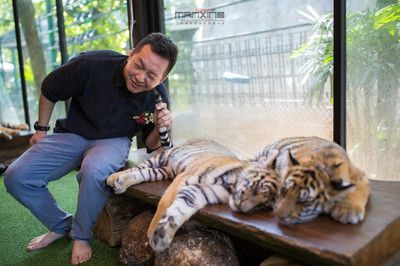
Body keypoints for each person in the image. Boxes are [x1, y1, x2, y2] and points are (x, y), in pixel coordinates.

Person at [4, 32, 178, 265]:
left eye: (151, 75)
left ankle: (81, 235)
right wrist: (41, 129)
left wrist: (160, 126)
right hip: (73, 132)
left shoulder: (158, 98)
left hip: (114, 140)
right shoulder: (91, 65)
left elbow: (151, 144)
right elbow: (49, 88)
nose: (139, 76)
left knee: (94, 170)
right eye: (138, 65)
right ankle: (59, 224)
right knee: (16, 176)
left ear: (163, 77)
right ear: (131, 54)